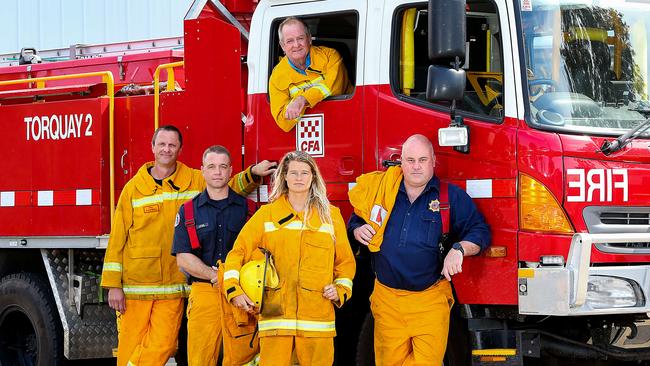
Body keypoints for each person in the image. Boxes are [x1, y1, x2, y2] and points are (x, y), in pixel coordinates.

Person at [101, 125, 276, 366]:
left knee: (165, 346)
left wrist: (252, 174)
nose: (166, 149)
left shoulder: (194, 178)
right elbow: (117, 237)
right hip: (136, 285)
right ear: (152, 147)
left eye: (172, 145)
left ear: (180, 150)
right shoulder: (133, 189)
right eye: (161, 144)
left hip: (174, 287)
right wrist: (113, 285)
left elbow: (224, 188)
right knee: (129, 347)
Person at [347, 134, 490, 365]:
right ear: (400, 162)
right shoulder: (384, 191)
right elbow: (356, 218)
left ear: (434, 161)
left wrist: (459, 249)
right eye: (410, 160)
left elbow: (480, 231)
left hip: (429, 302)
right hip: (387, 301)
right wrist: (356, 229)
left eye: (422, 160)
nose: (415, 166)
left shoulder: (449, 197)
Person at [223, 151, 356, 366]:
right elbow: (237, 252)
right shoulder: (267, 214)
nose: (299, 178)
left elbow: (345, 262)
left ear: (313, 177)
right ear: (284, 176)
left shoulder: (330, 216)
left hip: (317, 321)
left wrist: (339, 289)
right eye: (293, 173)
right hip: (276, 320)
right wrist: (233, 291)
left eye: (304, 172)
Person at [172, 145, 259, 366]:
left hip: (242, 295)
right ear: (202, 171)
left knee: (242, 359)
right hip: (204, 294)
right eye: (211, 167)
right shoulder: (188, 211)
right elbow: (183, 257)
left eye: (222, 167)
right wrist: (217, 276)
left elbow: (260, 253)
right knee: (201, 359)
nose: (217, 172)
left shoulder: (249, 209)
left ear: (231, 170)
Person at [269, 17, 353, 132]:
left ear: (309, 39)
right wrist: (304, 101)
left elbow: (335, 88)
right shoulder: (277, 76)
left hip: (347, 120)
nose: (296, 44)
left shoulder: (330, 56)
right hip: (313, 132)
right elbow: (283, 122)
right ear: (282, 46)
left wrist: (302, 99)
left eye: (300, 38)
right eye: (290, 41)